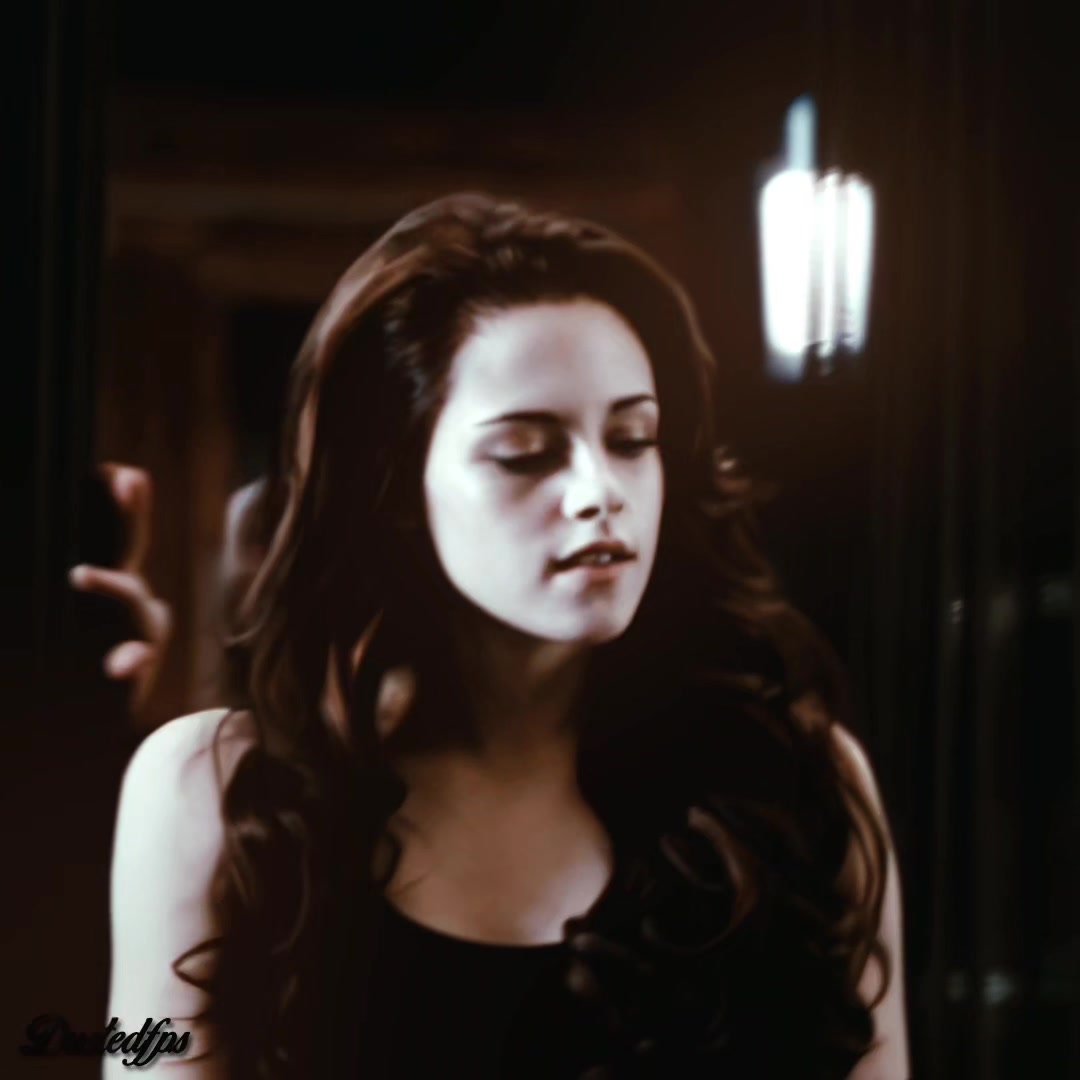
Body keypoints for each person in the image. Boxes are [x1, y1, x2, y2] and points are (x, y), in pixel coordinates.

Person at [98, 193, 908, 1078]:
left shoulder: (796, 786)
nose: (601, 491)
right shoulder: (214, 796)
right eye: (527, 451)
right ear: (398, 488)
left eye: (632, 438)